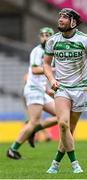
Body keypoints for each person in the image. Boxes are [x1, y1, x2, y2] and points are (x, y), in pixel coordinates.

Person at [43, 8, 87, 173]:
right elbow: (46, 63)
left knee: (69, 131)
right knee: (63, 124)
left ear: (73, 22)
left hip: (80, 89)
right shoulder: (53, 41)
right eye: (60, 16)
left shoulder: (86, 40)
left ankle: (55, 163)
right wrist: (52, 80)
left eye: (65, 17)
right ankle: (75, 164)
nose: (60, 19)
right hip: (62, 89)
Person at [7, 27, 58, 159]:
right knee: (34, 121)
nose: (45, 37)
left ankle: (33, 130)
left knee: (62, 115)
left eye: (48, 35)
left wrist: (48, 90)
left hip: (41, 90)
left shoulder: (50, 52)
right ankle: (12, 150)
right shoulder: (37, 51)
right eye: (42, 35)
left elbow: (41, 76)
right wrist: (53, 69)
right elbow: (35, 71)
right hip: (33, 90)